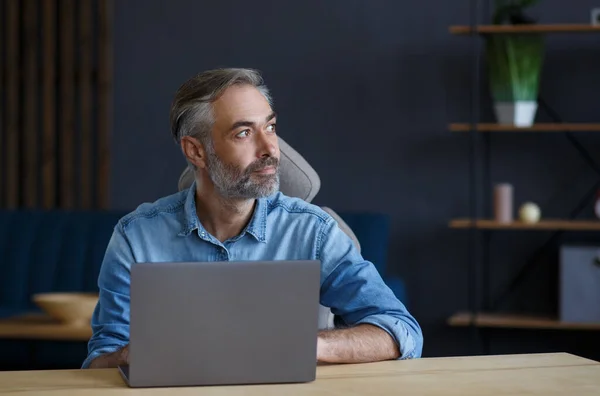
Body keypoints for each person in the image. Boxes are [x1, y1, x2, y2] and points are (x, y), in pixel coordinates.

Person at [82, 68, 423, 369]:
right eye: (244, 133)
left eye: (270, 127)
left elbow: (401, 332)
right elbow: (101, 360)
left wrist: (305, 345)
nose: (270, 148)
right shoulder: (135, 237)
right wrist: (134, 355)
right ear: (195, 151)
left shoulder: (313, 232)